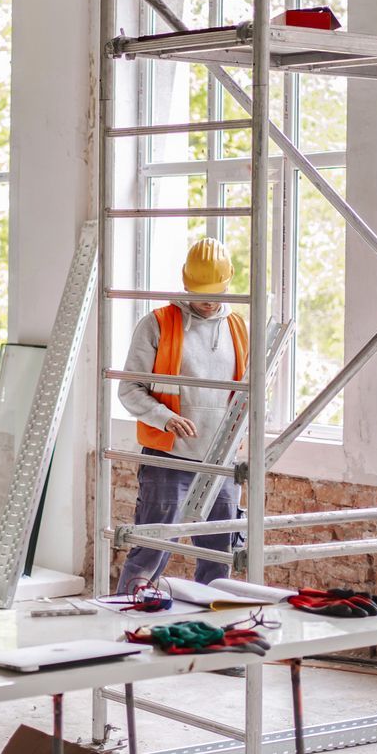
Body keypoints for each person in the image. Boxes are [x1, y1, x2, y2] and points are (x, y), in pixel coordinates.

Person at [114, 238, 248, 594]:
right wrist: (164, 417)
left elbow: (245, 396)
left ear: (229, 281)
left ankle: (212, 629)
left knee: (220, 556)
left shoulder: (237, 327)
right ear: (185, 281)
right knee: (150, 552)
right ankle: (125, 621)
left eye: (216, 290)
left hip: (220, 462)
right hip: (169, 460)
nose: (209, 299)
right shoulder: (158, 323)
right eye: (201, 290)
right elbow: (128, 389)